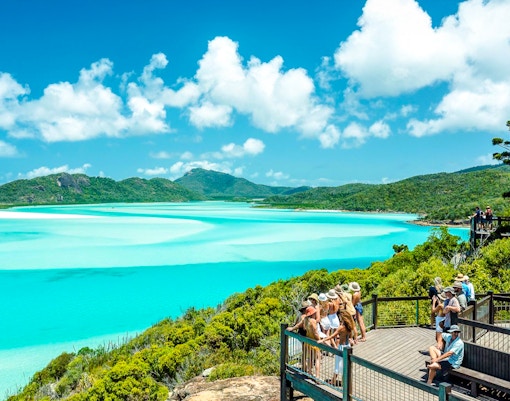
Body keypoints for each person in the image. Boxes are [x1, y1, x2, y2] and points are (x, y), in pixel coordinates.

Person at [318, 309, 355, 386]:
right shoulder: (350, 326)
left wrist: (323, 340)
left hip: (341, 347)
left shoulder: (341, 327)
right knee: (345, 364)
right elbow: (350, 336)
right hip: (347, 346)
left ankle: (334, 380)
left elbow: (332, 335)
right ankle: (344, 381)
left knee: (338, 364)